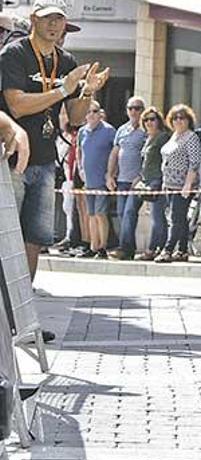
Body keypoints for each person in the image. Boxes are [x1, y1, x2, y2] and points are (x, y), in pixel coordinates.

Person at [0, 0, 109, 279]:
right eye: (47, 18)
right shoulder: (14, 54)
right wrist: (63, 89)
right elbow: (17, 105)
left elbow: (74, 118)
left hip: (46, 160)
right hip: (11, 158)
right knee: (7, 238)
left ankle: (25, 314)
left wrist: (87, 94)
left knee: (35, 237)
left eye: (59, 19)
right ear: (34, 19)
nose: (54, 25)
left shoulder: (67, 61)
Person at [155, 104, 201, 263]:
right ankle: (182, 250)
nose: (179, 121)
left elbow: (194, 163)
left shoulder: (191, 137)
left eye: (182, 118)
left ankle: (167, 250)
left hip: (183, 185)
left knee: (176, 218)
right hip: (169, 184)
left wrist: (188, 184)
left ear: (188, 120)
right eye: (175, 118)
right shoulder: (174, 136)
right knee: (179, 218)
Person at [107, 96, 146, 260]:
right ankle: (128, 247)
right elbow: (115, 153)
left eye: (137, 108)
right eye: (130, 108)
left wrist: (141, 176)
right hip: (122, 179)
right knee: (122, 213)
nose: (134, 111)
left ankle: (125, 248)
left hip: (137, 181)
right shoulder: (122, 130)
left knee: (130, 212)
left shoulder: (146, 130)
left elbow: (148, 157)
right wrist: (109, 174)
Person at [75, 100, 114, 258]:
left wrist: (111, 174)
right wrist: (80, 169)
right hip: (88, 180)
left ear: (100, 113)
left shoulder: (109, 131)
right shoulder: (82, 131)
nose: (91, 115)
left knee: (100, 213)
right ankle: (93, 246)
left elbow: (116, 153)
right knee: (90, 214)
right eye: (88, 111)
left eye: (94, 111)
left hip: (102, 180)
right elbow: (79, 151)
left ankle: (102, 247)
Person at [133, 106, 170, 261]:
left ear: (159, 121)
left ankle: (155, 248)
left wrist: (161, 180)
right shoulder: (148, 138)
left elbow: (165, 160)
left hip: (157, 180)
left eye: (152, 119)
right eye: (146, 120)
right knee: (153, 216)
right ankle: (155, 248)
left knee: (158, 217)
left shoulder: (162, 137)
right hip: (146, 181)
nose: (149, 122)